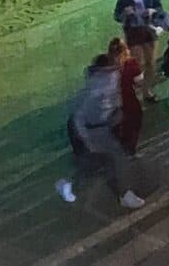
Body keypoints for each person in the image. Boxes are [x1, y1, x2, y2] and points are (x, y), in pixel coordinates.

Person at [56, 53, 145, 209]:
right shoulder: (94, 89)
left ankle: (123, 194)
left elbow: (113, 104)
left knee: (107, 161)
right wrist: (87, 141)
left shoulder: (111, 79)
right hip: (87, 129)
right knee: (105, 160)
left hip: (99, 128)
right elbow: (78, 118)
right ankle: (123, 195)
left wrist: (117, 116)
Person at [114, 0, 166, 95]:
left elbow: (160, 9)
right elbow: (117, 16)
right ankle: (136, 84)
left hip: (149, 30)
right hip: (133, 32)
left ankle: (147, 90)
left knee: (151, 62)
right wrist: (124, 14)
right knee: (136, 63)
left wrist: (153, 11)